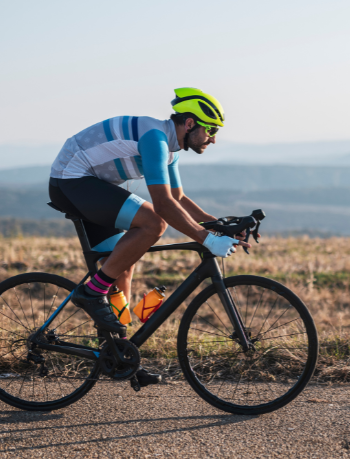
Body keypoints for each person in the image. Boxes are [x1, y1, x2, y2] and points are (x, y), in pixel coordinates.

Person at [48, 88, 250, 385]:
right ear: (191, 123)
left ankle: (118, 355)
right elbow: (163, 205)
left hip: (91, 185)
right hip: (72, 180)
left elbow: (177, 198)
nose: (214, 138)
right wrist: (205, 239)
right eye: (211, 129)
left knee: (122, 266)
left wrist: (218, 225)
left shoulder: (170, 147)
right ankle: (91, 292)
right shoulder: (155, 138)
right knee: (154, 224)